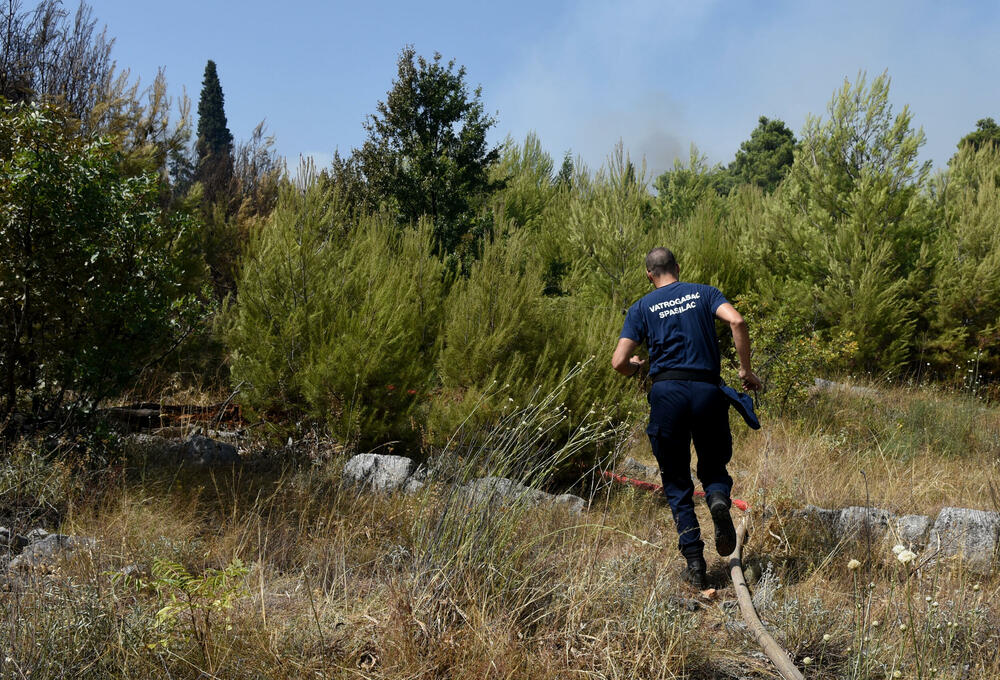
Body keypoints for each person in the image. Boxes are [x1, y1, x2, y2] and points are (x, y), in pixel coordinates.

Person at [611, 247, 762, 589]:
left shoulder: (642, 308)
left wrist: (636, 367)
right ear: (678, 267)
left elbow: (618, 361)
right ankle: (719, 499)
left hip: (668, 396)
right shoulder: (704, 293)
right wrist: (745, 370)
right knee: (713, 466)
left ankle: (695, 564)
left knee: (676, 480)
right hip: (707, 391)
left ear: (649, 275)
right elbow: (737, 320)